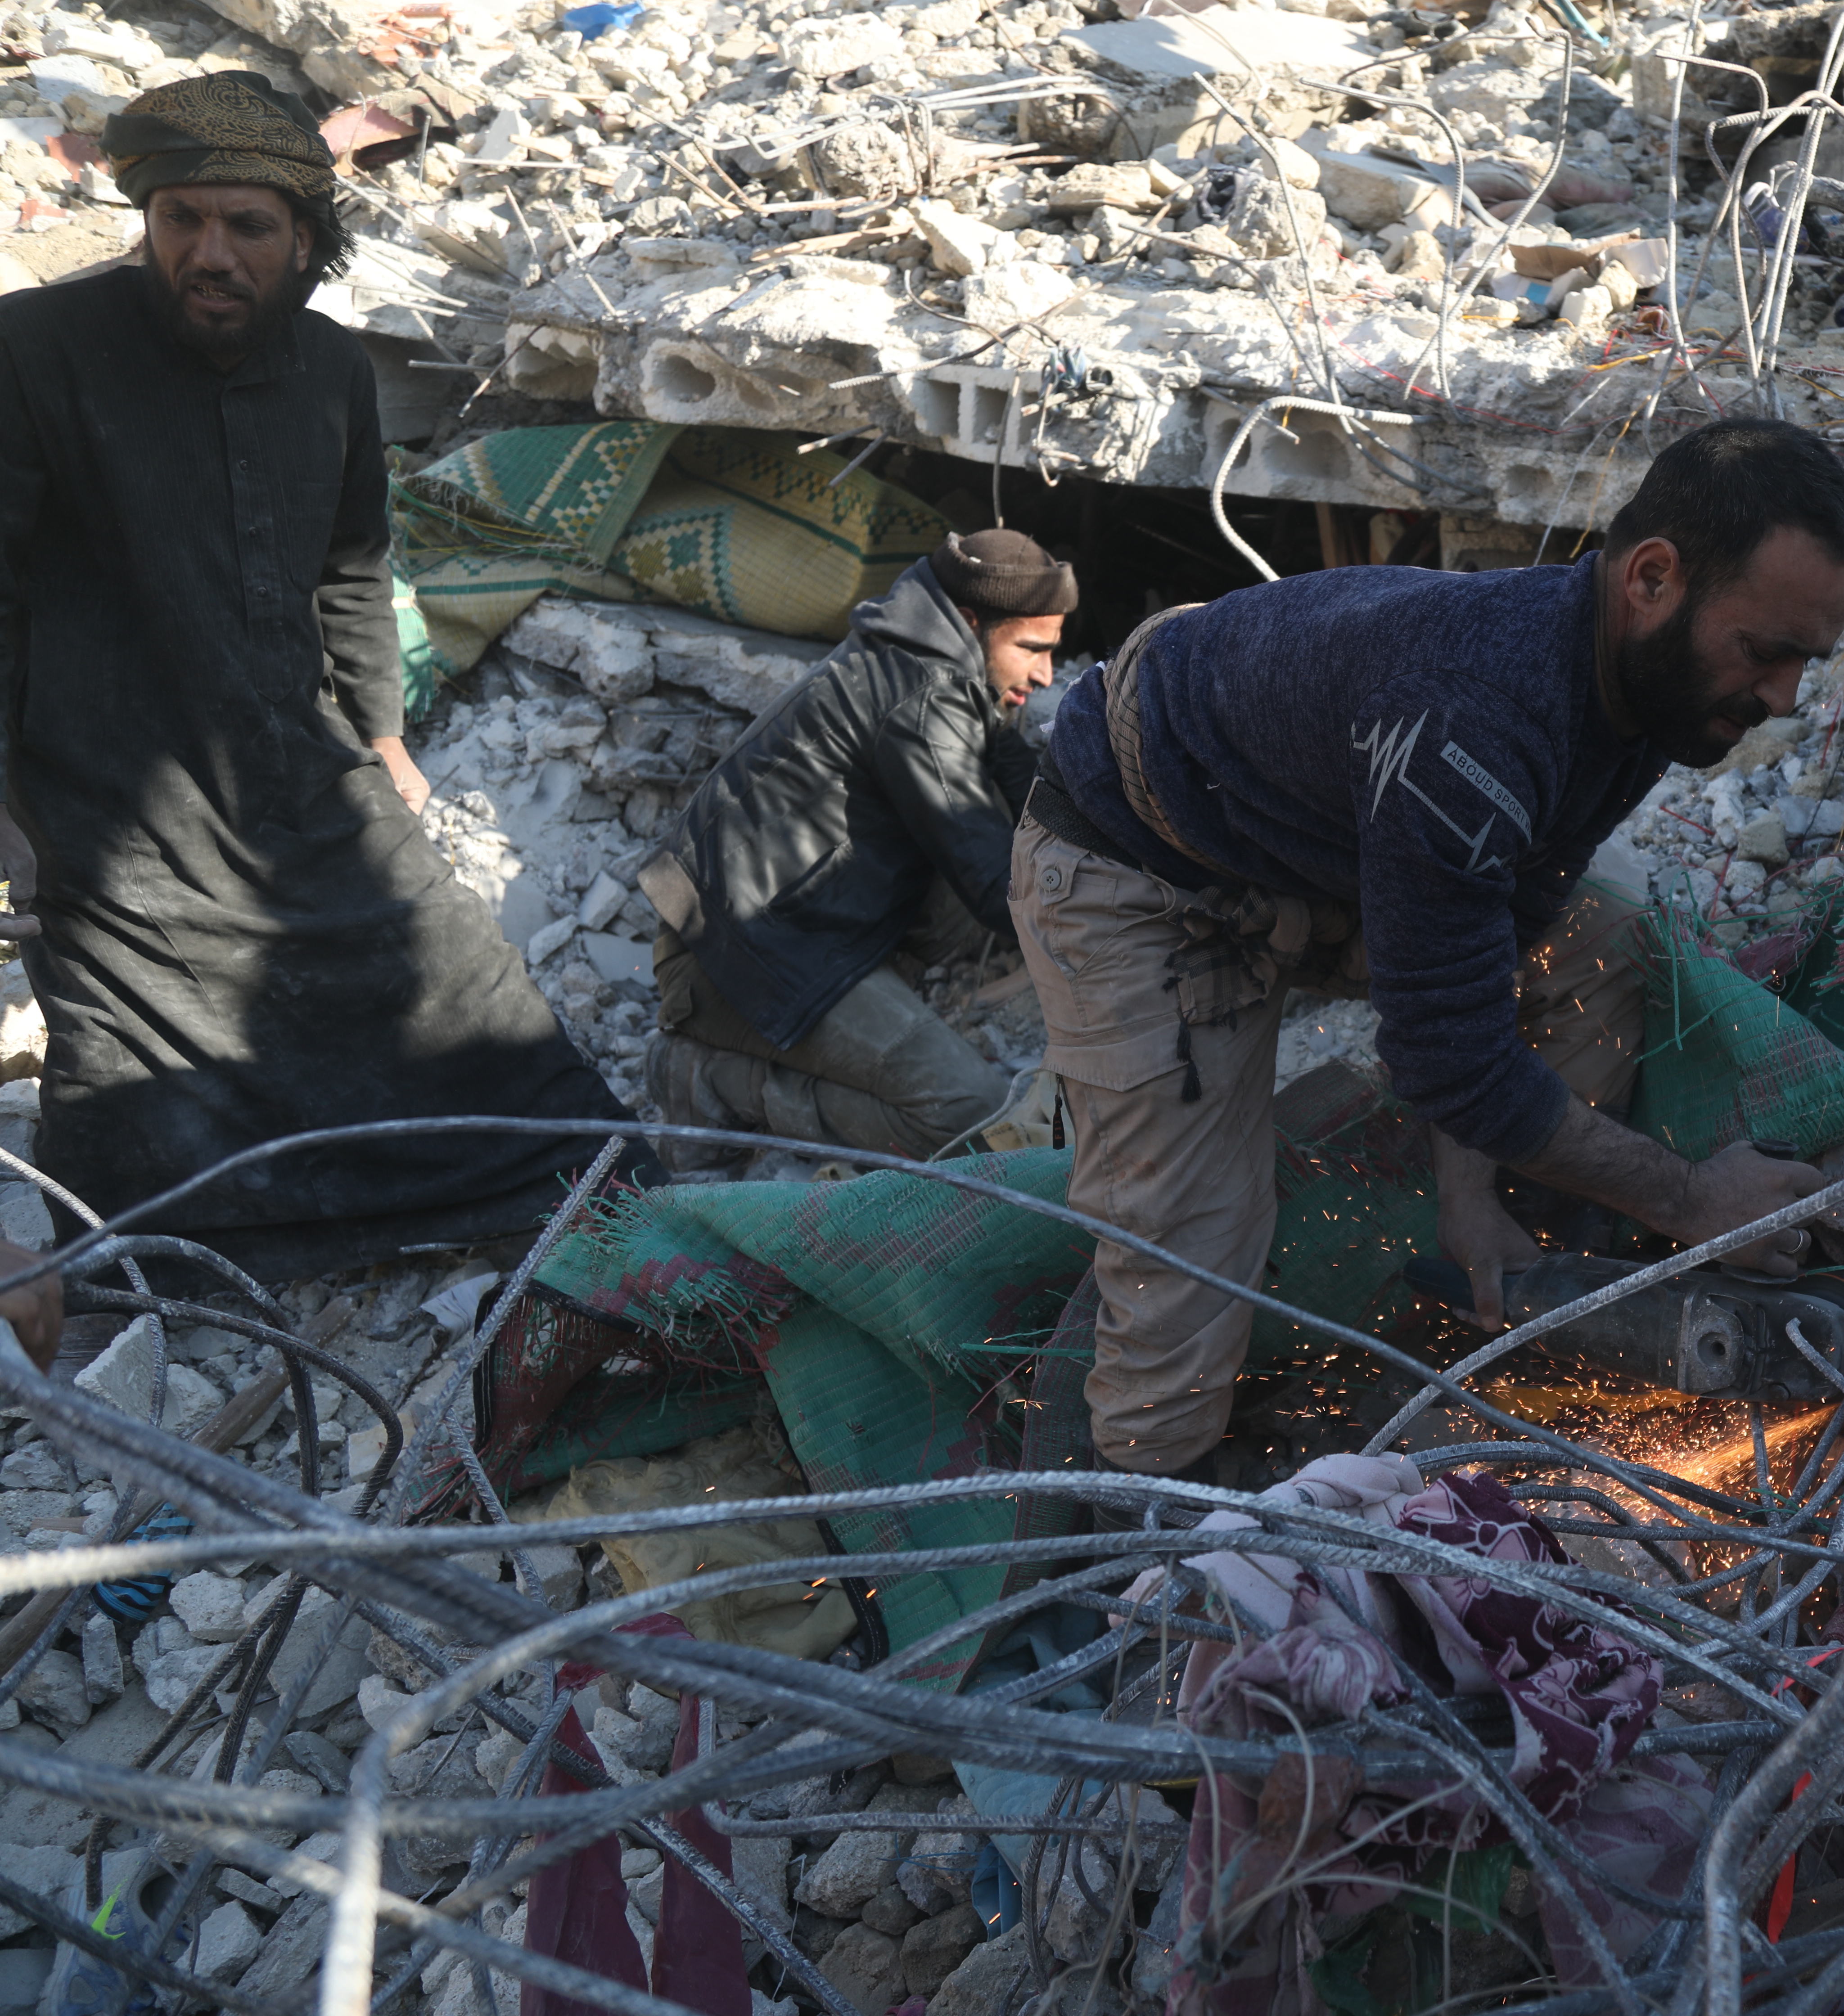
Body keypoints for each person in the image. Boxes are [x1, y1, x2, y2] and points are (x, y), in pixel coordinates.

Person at [1011, 416, 1844, 1478]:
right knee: (1192, 1247)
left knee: (1600, 941)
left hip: (1316, 839)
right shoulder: (1478, 721)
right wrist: (1690, 1199)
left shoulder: (1645, 691)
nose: (1783, 695)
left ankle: (1479, 1283)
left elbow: (1509, 942)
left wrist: (1472, 1197)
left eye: (1806, 660)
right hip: (1142, 867)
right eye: (1765, 650)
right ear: (1653, 578)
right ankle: (1147, 1547)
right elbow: (1451, 1053)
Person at [0, 73, 634, 1279]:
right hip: (103, 780)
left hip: (294, 756)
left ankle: (510, 1201)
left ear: (304, 235)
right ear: (146, 218)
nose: (209, 252)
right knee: (145, 1053)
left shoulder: (337, 373)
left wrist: (385, 737)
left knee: (450, 975)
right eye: (181, 218)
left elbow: (353, 572)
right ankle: (182, 1266)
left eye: (246, 226)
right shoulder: (33, 353)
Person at [640, 528, 1069, 1159]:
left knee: (1009, 824)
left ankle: (865, 1020)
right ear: (973, 620)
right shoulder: (921, 695)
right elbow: (996, 888)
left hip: (799, 932)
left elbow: (1012, 779)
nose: (1046, 672)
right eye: (1031, 648)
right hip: (733, 961)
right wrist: (1118, 924)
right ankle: (710, 1078)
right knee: (968, 1117)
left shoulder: (929, 658)